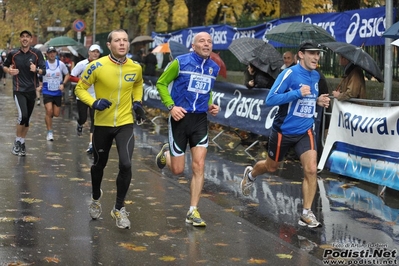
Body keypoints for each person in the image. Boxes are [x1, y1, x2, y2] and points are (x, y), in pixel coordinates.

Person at [239, 40, 330, 228]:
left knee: (311, 169)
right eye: (312, 53)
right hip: (284, 131)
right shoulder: (289, 73)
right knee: (272, 167)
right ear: (301, 55)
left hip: (305, 130)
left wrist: (317, 100)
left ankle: (306, 213)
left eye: (318, 53)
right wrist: (296, 93)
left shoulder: (316, 76)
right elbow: (271, 99)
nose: (316, 57)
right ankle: (251, 174)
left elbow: (308, 98)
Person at [74, 29, 143, 229]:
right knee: (99, 165)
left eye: (125, 40)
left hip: (124, 123)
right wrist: (94, 103)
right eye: (118, 40)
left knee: (126, 164)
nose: (122, 43)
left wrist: (137, 102)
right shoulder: (97, 66)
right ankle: (96, 197)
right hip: (102, 124)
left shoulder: (135, 67)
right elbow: (79, 88)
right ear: (109, 45)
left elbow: (138, 84)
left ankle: (119, 208)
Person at [155, 32, 220, 227]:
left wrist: (210, 105)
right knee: (177, 170)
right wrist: (171, 106)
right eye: (202, 41)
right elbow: (161, 83)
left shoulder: (213, 68)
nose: (206, 44)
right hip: (179, 117)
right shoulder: (180, 62)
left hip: (199, 119)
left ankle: (193, 211)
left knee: (199, 165)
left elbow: (207, 91)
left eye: (209, 41)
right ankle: (166, 153)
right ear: (194, 45)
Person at [3, 30, 46, 156]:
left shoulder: (37, 53)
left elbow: (44, 70)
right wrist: (9, 70)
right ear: (20, 39)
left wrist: (36, 70)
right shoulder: (13, 53)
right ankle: (17, 142)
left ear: (31, 40)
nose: (25, 39)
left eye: (27, 37)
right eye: (23, 37)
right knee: (23, 115)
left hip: (31, 90)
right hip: (18, 89)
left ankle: (22, 142)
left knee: (27, 119)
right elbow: (4, 66)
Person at [70, 44, 102, 154]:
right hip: (82, 95)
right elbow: (72, 75)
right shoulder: (82, 64)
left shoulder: (102, 65)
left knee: (95, 120)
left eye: (97, 52)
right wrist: (81, 81)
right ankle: (80, 124)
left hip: (95, 96)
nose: (95, 54)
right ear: (89, 53)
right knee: (83, 118)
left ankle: (91, 144)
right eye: (93, 51)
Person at [39, 46, 70, 141]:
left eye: (54, 52)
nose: (52, 54)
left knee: (56, 114)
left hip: (57, 92)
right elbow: (38, 75)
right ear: (47, 54)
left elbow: (67, 75)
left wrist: (63, 84)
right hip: (47, 91)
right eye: (50, 53)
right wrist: (39, 85)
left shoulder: (60, 64)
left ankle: (49, 117)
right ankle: (49, 132)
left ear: (56, 54)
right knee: (49, 111)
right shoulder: (44, 64)